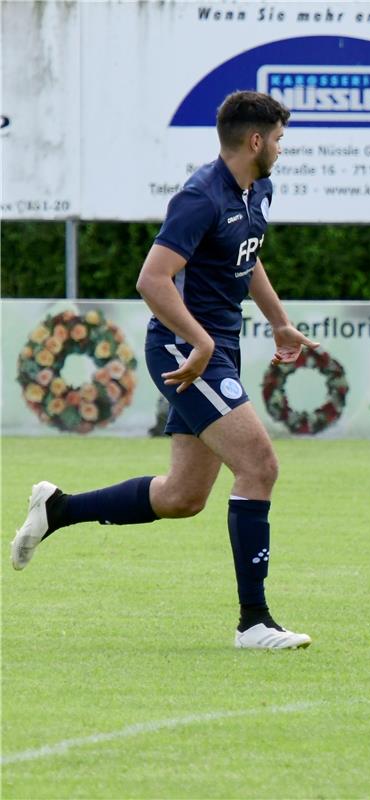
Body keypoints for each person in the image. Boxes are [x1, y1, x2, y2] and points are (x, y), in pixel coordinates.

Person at [11, 91, 317, 650]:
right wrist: (199, 340)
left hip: (214, 347)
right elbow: (152, 280)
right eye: (277, 140)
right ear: (255, 141)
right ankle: (254, 622)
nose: (280, 148)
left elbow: (246, 258)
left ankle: (58, 509)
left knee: (182, 496)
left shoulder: (257, 190)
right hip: (185, 350)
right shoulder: (199, 197)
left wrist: (278, 322)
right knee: (259, 466)